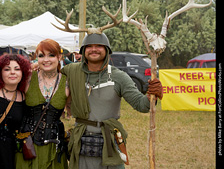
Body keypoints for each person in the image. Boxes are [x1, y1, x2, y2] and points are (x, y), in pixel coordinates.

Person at [61, 33, 163, 169]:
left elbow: (142, 105)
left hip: (110, 141)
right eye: (89, 46)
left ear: (107, 50)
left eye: (99, 46)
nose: (94, 49)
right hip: (81, 141)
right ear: (83, 51)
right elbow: (49, 72)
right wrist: (35, 66)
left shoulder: (119, 77)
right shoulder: (71, 71)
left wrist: (152, 95)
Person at [15, 39, 70, 169]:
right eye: (41, 56)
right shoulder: (27, 77)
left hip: (54, 147)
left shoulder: (67, 83)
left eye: (51, 55)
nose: (46, 60)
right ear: (36, 58)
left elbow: (75, 111)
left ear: (59, 57)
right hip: (27, 147)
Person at [0, 54, 31, 169]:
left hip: (9, 151)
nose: (12, 72)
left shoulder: (23, 96)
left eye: (17, 69)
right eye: (7, 69)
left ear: (23, 73)